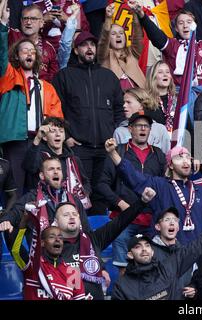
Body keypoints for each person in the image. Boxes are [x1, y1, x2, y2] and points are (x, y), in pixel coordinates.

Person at [52, 30, 125, 213]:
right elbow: (55, 112)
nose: (89, 48)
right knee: (78, 196)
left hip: (106, 149)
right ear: (76, 50)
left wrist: (116, 135)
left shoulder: (109, 77)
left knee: (102, 196)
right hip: (78, 148)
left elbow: (119, 110)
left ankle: (99, 238)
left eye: (92, 45)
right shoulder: (64, 76)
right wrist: (66, 137)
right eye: (84, 45)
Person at [0, 0, 63, 196]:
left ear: (37, 58)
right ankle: (12, 226)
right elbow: (1, 55)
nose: (28, 53)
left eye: (32, 51)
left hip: (39, 143)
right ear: (16, 57)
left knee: (39, 193)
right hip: (16, 142)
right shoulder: (9, 77)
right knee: (15, 193)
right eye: (23, 50)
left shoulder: (47, 87)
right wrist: (3, 27)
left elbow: (57, 119)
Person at [111, 202, 202, 300]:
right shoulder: (122, 286)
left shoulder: (166, 268)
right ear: (130, 255)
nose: (144, 249)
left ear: (152, 251)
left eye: (147, 245)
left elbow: (199, 245)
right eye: (137, 247)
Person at [105, 139, 202, 245]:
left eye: (188, 157)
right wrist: (113, 153)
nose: (185, 161)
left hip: (199, 254)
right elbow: (133, 176)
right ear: (171, 165)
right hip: (169, 254)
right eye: (179, 158)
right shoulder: (159, 185)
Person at [53, 186, 156, 299]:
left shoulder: (93, 239)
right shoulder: (51, 249)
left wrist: (142, 202)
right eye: (66, 215)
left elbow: (120, 221)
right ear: (56, 223)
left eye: (74, 214)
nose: (72, 217)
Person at [97, 111, 166, 274]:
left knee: (153, 268)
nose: (143, 129)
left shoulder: (159, 155)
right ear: (130, 129)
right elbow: (101, 184)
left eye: (146, 126)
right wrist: (120, 203)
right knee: (123, 269)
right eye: (138, 126)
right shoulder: (118, 151)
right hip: (123, 220)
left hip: (151, 221)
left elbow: (165, 186)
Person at [0, 157, 90, 246]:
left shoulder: (73, 199)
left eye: (59, 169)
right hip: (41, 254)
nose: (56, 172)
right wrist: (7, 220)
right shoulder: (32, 197)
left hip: (70, 254)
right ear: (42, 176)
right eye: (51, 169)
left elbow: (86, 230)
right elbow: (15, 213)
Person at [22, 117, 91, 206]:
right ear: (45, 137)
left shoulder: (74, 159)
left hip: (73, 207)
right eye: (53, 131)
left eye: (61, 131)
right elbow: (29, 167)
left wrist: (81, 196)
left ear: (64, 136)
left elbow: (85, 183)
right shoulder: (40, 156)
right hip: (46, 208)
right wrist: (37, 138)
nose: (58, 134)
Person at [11, 225, 86, 300]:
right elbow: (15, 250)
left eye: (60, 237)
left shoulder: (73, 272)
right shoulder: (33, 265)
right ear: (42, 243)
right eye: (52, 237)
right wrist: (23, 225)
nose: (57, 240)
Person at [97, 3, 146, 90]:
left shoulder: (132, 53)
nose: (118, 36)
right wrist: (108, 18)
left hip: (139, 98)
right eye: (113, 34)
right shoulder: (104, 55)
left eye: (121, 33)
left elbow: (138, 37)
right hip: (117, 99)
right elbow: (104, 39)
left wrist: (134, 14)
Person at [151, 208, 197, 299]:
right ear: (158, 227)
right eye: (167, 219)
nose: (172, 223)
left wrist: (193, 288)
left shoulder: (186, 252)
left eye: (175, 220)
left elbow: (195, 276)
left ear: (178, 227)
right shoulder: (149, 252)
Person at [8, 4, 59, 81]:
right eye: (25, 18)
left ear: (42, 23)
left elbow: (54, 78)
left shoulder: (49, 48)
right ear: (21, 21)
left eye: (33, 19)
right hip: (14, 86)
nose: (28, 22)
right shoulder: (12, 35)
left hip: (40, 90)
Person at [113, 88, 170, 154]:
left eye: (128, 102)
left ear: (141, 105)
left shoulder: (160, 129)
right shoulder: (119, 132)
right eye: (124, 102)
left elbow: (167, 158)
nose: (124, 105)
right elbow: (116, 160)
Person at [145, 60, 178, 134]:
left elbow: (188, 126)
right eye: (160, 72)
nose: (165, 75)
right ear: (153, 77)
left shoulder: (178, 100)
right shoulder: (146, 101)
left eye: (167, 72)